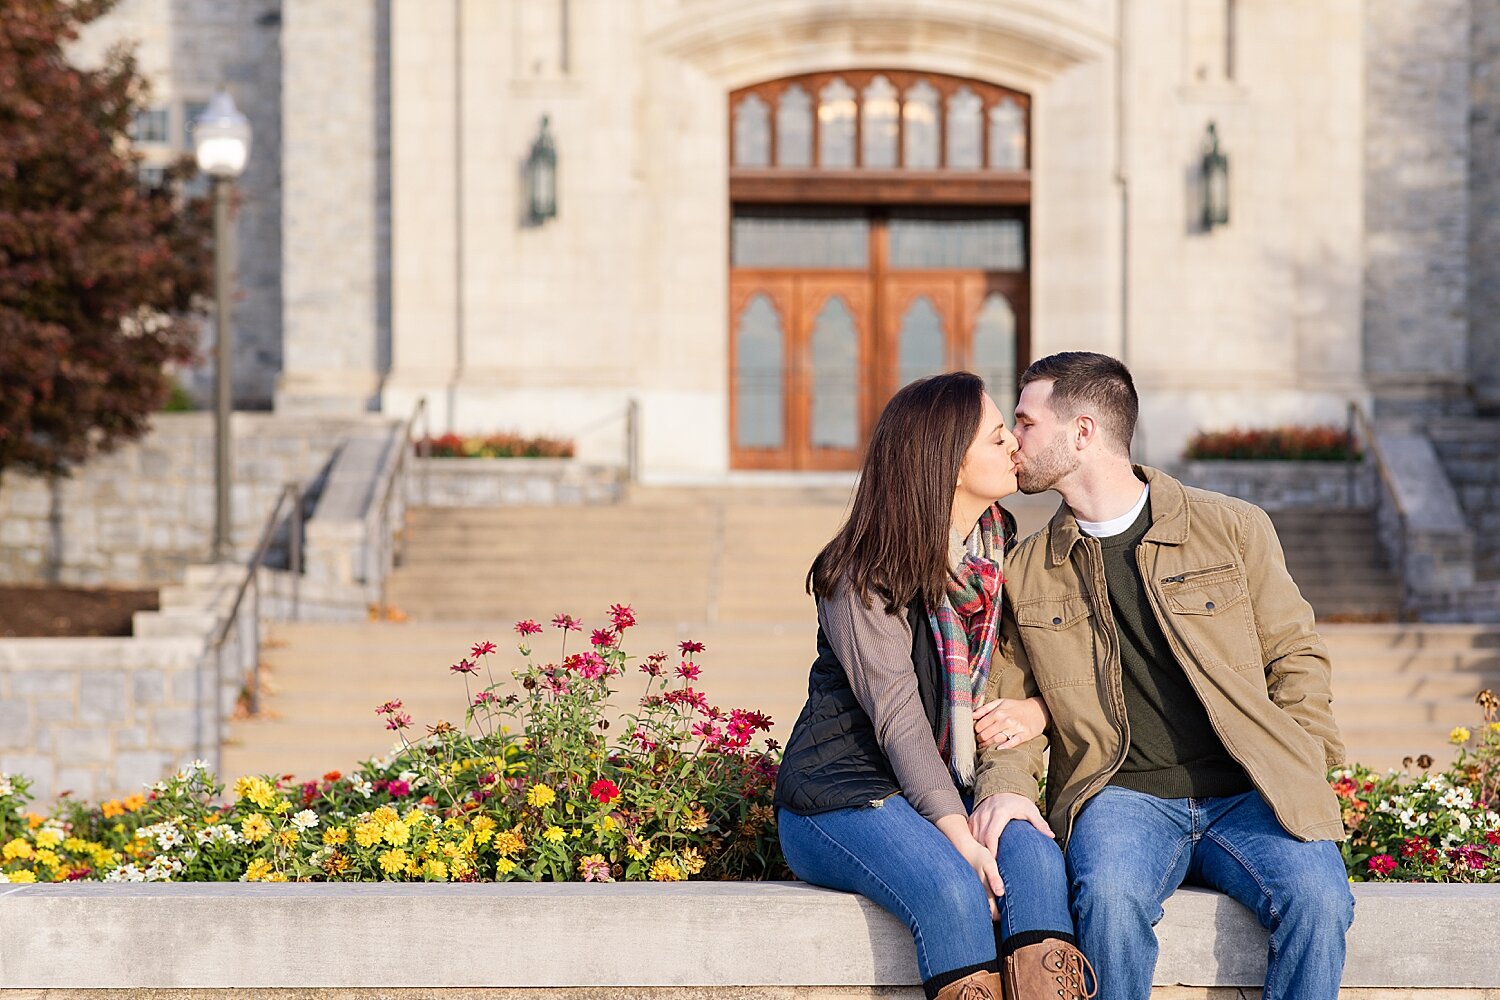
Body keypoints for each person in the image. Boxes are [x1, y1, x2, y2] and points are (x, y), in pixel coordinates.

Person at [968, 352, 1353, 1000]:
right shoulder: (1026, 569)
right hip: (1120, 796)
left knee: (1320, 898)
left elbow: (1295, 655)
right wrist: (1006, 792)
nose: (1015, 442)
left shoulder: (1231, 529)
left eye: (1027, 424)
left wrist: (1303, 763)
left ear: (1082, 432)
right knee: (1110, 900)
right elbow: (1007, 712)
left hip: (1247, 791)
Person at [776, 372, 1097, 1000]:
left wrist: (1035, 710)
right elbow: (898, 720)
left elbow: (1035, 665)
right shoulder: (861, 575)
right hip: (843, 796)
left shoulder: (997, 547)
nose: (1015, 448)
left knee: (1033, 862)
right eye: (999, 436)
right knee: (953, 890)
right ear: (949, 464)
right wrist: (959, 841)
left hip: (954, 782)